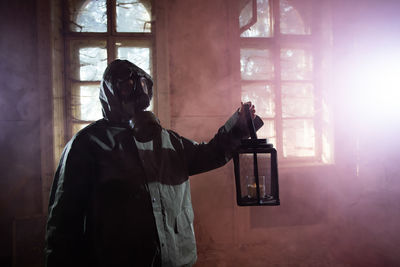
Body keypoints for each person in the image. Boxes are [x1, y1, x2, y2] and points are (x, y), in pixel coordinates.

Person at [45, 59, 262, 267]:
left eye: (141, 86)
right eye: (127, 87)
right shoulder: (86, 145)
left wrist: (239, 127)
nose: (137, 94)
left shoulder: (167, 140)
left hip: (177, 262)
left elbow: (210, 154)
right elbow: (63, 224)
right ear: (110, 93)